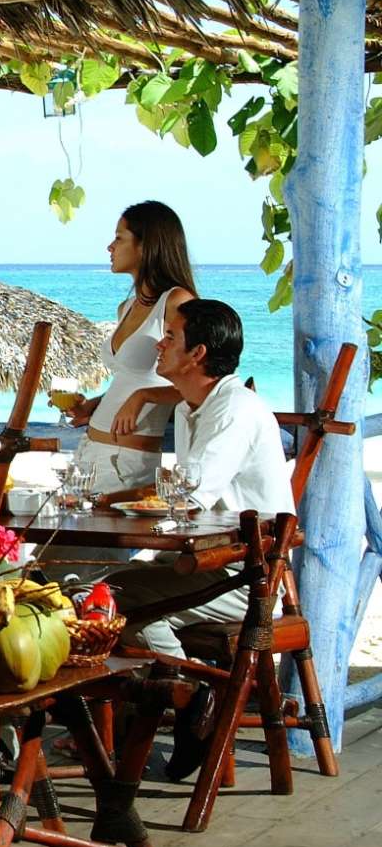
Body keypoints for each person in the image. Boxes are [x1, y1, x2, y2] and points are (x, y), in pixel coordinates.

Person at [102, 299, 295, 779]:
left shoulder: (232, 410)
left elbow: (187, 495)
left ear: (197, 354)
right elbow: (183, 497)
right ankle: (176, 698)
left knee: (110, 602)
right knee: (95, 594)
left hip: (242, 576)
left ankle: (188, 695)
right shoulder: (198, 404)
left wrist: (117, 502)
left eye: (170, 335)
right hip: (203, 563)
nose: (160, 343)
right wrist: (114, 500)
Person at [63, 201, 198, 494]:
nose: (110, 247)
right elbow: (133, 378)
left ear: (146, 245)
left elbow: (201, 385)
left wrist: (142, 396)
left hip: (127, 464)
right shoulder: (126, 308)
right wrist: (95, 403)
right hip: (90, 453)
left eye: (119, 238)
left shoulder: (177, 302)